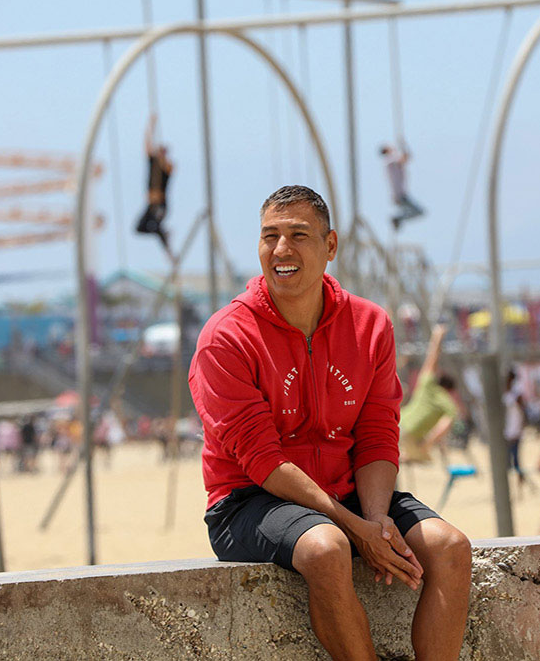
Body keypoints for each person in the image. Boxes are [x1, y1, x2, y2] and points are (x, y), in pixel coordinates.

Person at [189, 185, 472, 661]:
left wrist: (377, 518)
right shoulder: (226, 338)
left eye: (299, 234)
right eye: (269, 236)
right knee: (326, 549)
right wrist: (354, 526)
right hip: (248, 500)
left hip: (352, 493)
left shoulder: (370, 325)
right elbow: (262, 461)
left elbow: (379, 434)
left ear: (331, 246)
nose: (281, 249)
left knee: (451, 548)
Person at [399, 323, 460, 463]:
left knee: (418, 458)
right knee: (425, 458)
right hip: (412, 434)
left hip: (398, 425)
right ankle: (407, 456)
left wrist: (437, 337)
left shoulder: (427, 384)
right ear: (450, 390)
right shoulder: (447, 402)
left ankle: (404, 456)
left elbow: (432, 359)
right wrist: (429, 442)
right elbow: (446, 423)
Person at [135, 113, 175, 248]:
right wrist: (151, 125)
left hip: (160, 205)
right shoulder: (153, 162)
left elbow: (169, 167)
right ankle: (163, 233)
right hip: (151, 205)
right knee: (139, 228)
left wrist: (162, 156)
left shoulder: (167, 167)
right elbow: (146, 143)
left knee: (157, 224)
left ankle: (167, 245)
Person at [379, 144, 425, 231]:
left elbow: (404, 159)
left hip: (400, 194)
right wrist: (404, 148)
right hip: (400, 195)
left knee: (415, 212)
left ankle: (398, 219)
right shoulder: (390, 160)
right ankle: (397, 219)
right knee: (419, 212)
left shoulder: (390, 161)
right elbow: (405, 158)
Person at [503, 368, 534, 496]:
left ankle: (520, 490)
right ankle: (520, 488)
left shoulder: (516, 395)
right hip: (506, 432)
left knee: (516, 462)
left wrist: (521, 430)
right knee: (507, 463)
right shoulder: (505, 394)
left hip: (514, 432)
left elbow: (523, 413)